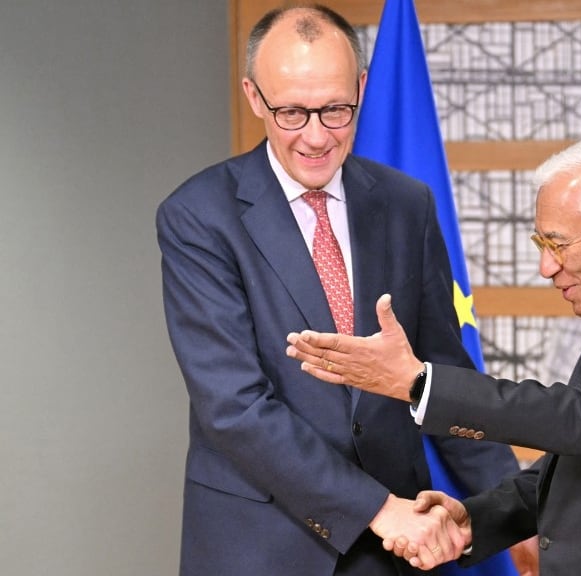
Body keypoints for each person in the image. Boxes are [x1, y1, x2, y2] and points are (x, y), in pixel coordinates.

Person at [156, 5, 526, 575]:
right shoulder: (198, 216)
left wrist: (516, 514)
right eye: (291, 113)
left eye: (335, 110)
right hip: (260, 546)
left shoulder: (408, 205)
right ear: (255, 97)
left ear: (361, 89)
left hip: (393, 555)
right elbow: (234, 407)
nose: (315, 136)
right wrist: (378, 508)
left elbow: (444, 375)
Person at [286, 133, 581, 575]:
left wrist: (417, 382)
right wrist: (475, 520)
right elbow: (580, 464)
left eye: (557, 244)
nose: (545, 267)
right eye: (541, 243)